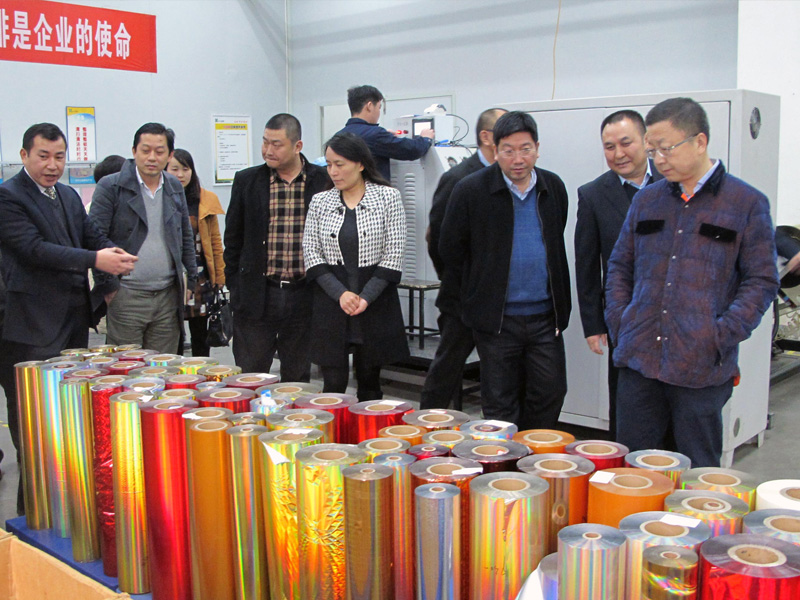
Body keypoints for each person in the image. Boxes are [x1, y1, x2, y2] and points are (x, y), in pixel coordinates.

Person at [605, 97, 779, 467]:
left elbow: (762, 280)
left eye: (666, 148)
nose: (658, 159)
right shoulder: (647, 201)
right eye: (652, 150)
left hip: (699, 368)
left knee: (696, 470)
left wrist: (719, 334)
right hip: (640, 361)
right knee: (634, 470)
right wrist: (622, 321)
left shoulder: (745, 203)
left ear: (699, 141)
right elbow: (620, 265)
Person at [0, 123, 136, 510]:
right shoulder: (8, 197)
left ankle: (70, 509)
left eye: (59, 157)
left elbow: (90, 234)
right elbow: (34, 250)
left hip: (72, 324)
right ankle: (32, 515)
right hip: (30, 328)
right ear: (24, 155)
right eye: (43, 156)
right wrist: (96, 259)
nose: (52, 165)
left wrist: (113, 253)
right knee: (33, 429)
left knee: (69, 423)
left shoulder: (68, 195)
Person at [439, 111, 571, 429]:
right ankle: (506, 459)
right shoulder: (470, 190)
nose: (518, 159)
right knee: (500, 402)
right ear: (495, 150)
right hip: (496, 321)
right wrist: (474, 297)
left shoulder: (553, 187)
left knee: (550, 392)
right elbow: (449, 251)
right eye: (508, 150)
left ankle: (534, 451)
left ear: (537, 148)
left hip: (545, 318)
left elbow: (556, 237)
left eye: (525, 149)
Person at [574, 110, 662, 439]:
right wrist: (593, 324)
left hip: (673, 316)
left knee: (672, 403)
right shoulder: (594, 194)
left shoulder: (673, 183)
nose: (618, 153)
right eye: (609, 147)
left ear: (646, 142)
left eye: (626, 143)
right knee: (626, 406)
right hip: (624, 320)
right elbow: (586, 264)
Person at [303, 132, 409, 400]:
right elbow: (311, 252)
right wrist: (340, 294)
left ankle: (369, 427)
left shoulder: (388, 197)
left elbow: (394, 253)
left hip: (374, 298)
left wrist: (365, 297)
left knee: (370, 381)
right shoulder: (320, 201)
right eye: (329, 164)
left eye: (340, 164)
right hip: (332, 299)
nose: (333, 171)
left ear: (360, 164)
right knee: (333, 383)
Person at [224, 114, 330, 379]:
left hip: (303, 294)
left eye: (277, 144)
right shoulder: (247, 181)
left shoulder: (323, 181)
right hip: (258, 293)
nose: (268, 150)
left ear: (297, 146)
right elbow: (233, 240)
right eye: (265, 142)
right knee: (250, 375)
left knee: (297, 377)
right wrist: (235, 288)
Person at [421, 107, 507, 409]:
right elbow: (438, 239)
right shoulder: (459, 178)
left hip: (499, 298)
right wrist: (456, 279)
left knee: (500, 373)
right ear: (486, 137)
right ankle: (427, 424)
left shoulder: (511, 177)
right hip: (462, 296)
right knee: (447, 368)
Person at [90, 123, 196, 354]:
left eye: (159, 151)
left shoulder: (173, 186)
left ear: (169, 155)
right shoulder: (111, 186)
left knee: (164, 365)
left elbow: (185, 235)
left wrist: (191, 281)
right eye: (145, 150)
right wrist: (108, 287)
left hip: (167, 295)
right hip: (126, 294)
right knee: (126, 365)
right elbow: (94, 237)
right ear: (134, 151)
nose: (152, 157)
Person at [167, 149, 226, 357]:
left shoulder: (205, 199)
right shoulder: (162, 198)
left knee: (200, 334)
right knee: (172, 335)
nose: (180, 174)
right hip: (172, 276)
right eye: (174, 169)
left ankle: (201, 373)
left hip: (201, 276)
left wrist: (220, 276)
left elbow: (216, 241)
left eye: (185, 169)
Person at [338, 85, 434, 181]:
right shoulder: (375, 135)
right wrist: (425, 139)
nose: (379, 112)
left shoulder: (339, 136)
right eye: (379, 107)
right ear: (369, 106)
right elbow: (412, 150)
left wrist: (386, 136)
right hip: (374, 189)